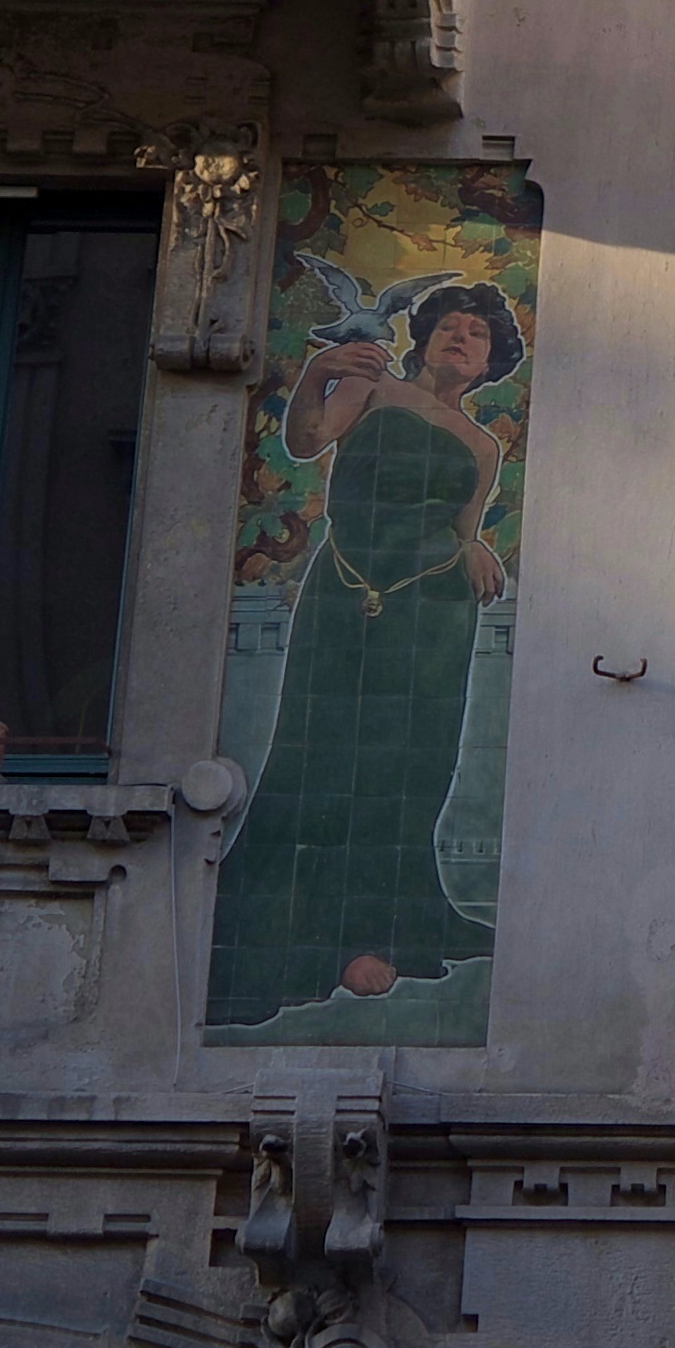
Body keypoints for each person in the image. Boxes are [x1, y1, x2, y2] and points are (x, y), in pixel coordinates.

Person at [206, 282, 524, 1026]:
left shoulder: (483, 444)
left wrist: (474, 547)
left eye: (477, 334)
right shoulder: (373, 388)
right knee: (322, 755)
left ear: (488, 364)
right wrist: (320, 372)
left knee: (408, 767)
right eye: (451, 325)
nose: (462, 337)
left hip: (434, 611)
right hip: (347, 589)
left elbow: (463, 521)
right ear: (425, 337)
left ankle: (376, 929)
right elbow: (307, 440)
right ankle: (323, 940)